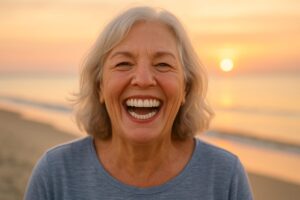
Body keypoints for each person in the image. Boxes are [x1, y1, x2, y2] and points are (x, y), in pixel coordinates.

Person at [25, 6, 253, 200]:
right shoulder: (55, 174)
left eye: (163, 64)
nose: (143, 80)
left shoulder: (225, 177)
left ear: (186, 87)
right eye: (124, 63)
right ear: (100, 87)